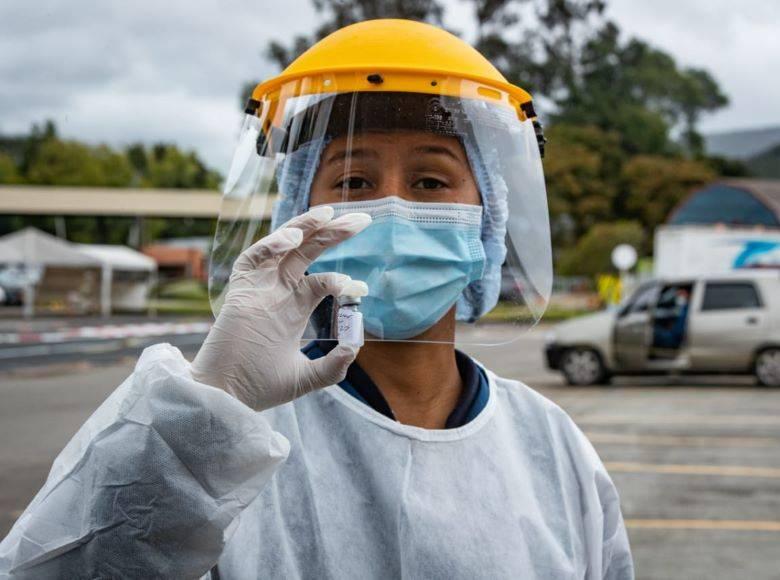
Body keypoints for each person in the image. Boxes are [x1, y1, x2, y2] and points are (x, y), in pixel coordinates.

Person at [0, 19, 634, 579]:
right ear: (299, 218)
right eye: (353, 180)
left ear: (486, 222)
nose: (392, 207)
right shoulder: (215, 434)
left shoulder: (550, 447)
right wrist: (206, 414)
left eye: (431, 180)